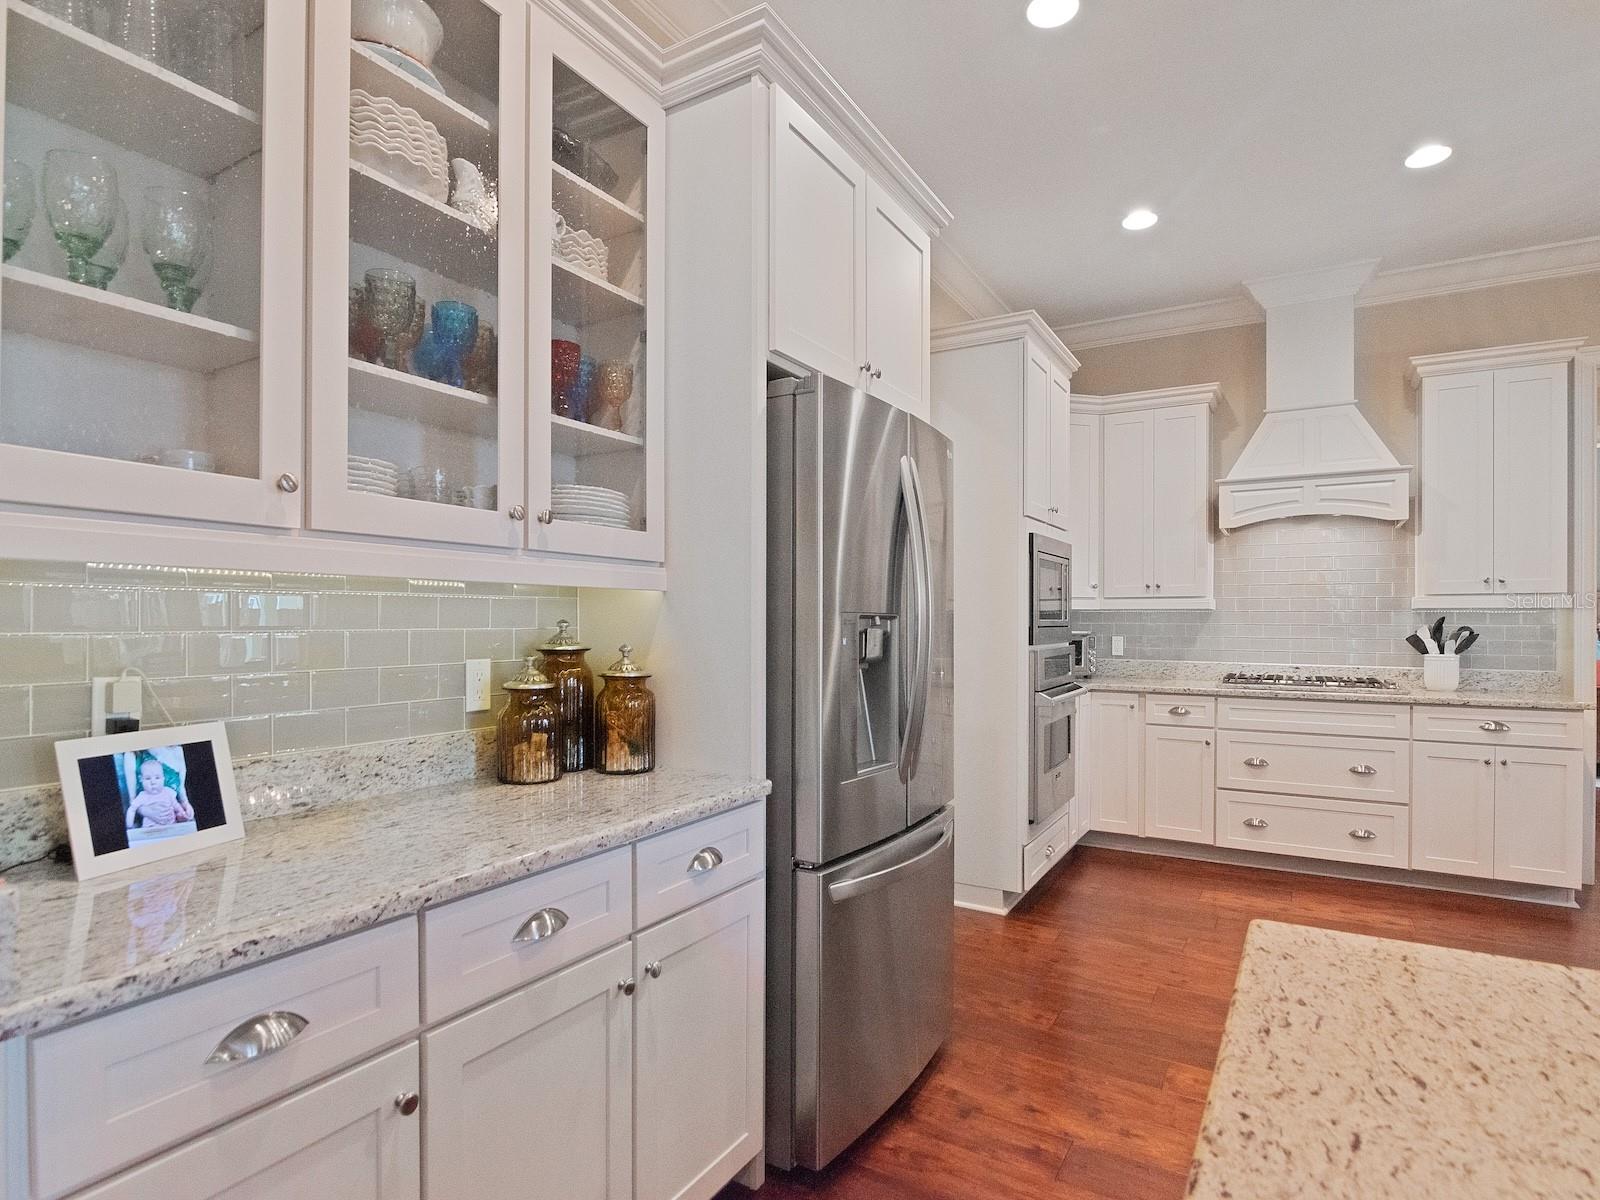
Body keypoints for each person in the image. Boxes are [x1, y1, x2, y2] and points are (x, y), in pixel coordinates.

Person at [126, 758, 193, 830]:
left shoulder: (168, 792)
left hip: (171, 826)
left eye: (157, 778)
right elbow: (132, 809)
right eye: (148, 778)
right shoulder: (142, 796)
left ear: (163, 778)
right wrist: (130, 826)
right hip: (151, 830)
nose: (153, 782)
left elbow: (176, 806)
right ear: (141, 780)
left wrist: (182, 813)